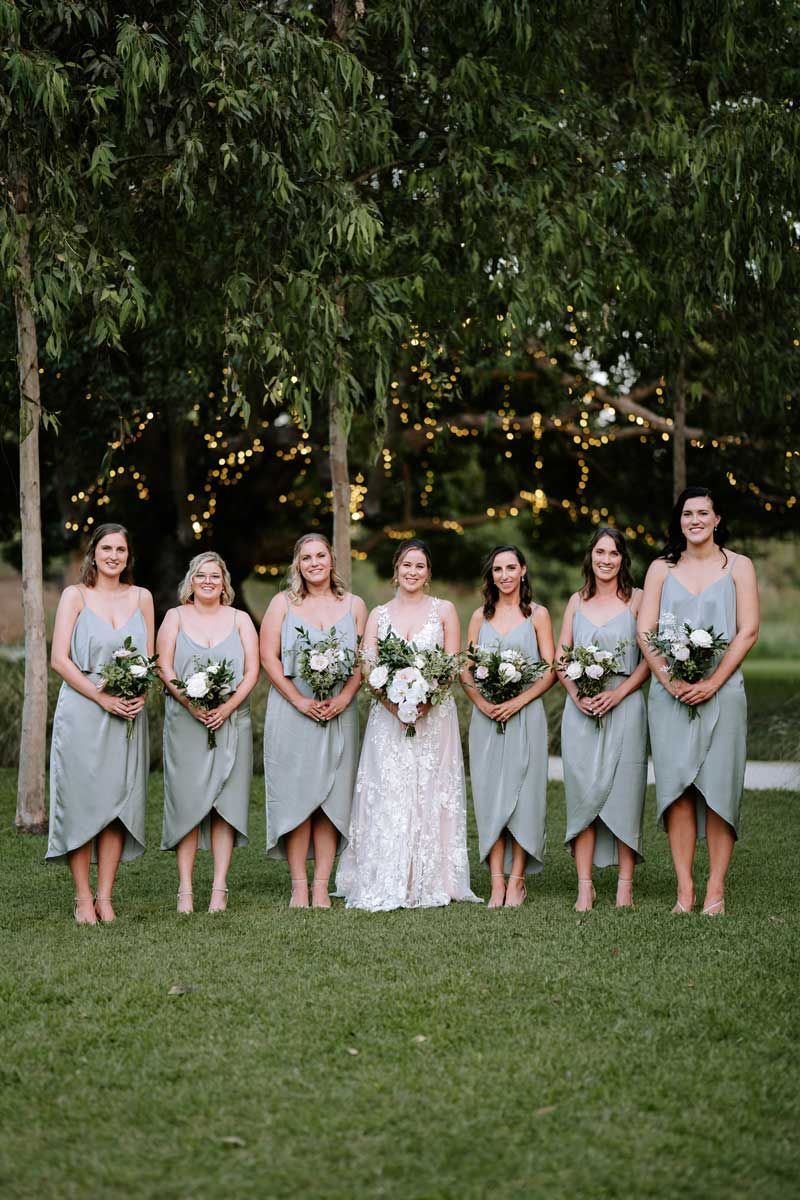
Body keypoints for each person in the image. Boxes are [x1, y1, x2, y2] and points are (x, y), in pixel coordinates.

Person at [335, 538, 479, 911]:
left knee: (431, 789)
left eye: (420, 566)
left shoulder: (444, 610)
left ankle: (431, 877)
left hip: (434, 718)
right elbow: (368, 666)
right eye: (406, 565)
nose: (412, 572)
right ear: (395, 570)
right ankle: (384, 872)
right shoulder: (379, 614)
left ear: (428, 573)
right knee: (390, 790)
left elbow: (450, 664)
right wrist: (394, 704)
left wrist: (425, 703)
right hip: (389, 717)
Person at [638, 487, 759, 916]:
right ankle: (684, 890)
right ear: (680, 520)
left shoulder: (739, 566)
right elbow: (645, 629)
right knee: (678, 790)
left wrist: (714, 683)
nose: (695, 520)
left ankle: (715, 890)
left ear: (717, 519)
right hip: (669, 695)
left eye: (703, 513)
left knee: (721, 789)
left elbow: (747, 630)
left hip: (723, 692)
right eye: (688, 513)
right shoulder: (660, 569)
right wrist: (669, 680)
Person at [47, 523, 154, 923]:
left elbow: (148, 656)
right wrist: (100, 697)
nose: (113, 555)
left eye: (121, 550)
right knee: (81, 800)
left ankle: (105, 896)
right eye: (106, 548)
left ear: (128, 556)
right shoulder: (75, 596)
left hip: (127, 712)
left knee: (117, 801)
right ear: (94, 554)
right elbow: (60, 659)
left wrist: (140, 690)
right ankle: (81, 898)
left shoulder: (142, 598)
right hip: (83, 709)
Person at [261, 534, 366, 908]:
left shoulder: (354, 605)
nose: (315, 563)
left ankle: (321, 885)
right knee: (298, 796)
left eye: (321, 555)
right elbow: (268, 657)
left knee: (332, 798)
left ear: (332, 561)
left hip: (340, 711)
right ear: (297, 565)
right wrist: (299, 700)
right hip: (292, 712)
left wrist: (343, 698)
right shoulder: (281, 604)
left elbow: (361, 662)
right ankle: (298, 886)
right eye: (306, 558)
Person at [158, 552, 259, 913]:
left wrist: (226, 709)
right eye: (201, 575)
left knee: (225, 804)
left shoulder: (241, 619)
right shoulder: (174, 617)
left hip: (231, 721)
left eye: (215, 576)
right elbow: (165, 667)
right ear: (191, 580)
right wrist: (191, 705)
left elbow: (251, 671)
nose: (208, 581)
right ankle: (185, 888)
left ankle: (219, 887)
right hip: (186, 723)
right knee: (187, 803)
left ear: (224, 582)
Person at [557, 528, 649, 911]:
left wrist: (618, 693)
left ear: (622, 559)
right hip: (581, 710)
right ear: (590, 556)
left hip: (625, 704)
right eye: (600, 552)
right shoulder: (576, 602)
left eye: (613, 553)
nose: (606, 560)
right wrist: (577, 694)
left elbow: (649, 662)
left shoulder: (639, 600)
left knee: (626, 792)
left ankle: (625, 886)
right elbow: (562, 659)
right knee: (582, 792)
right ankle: (585, 886)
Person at [463, 545, 556, 908]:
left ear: (523, 570)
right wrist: (483, 704)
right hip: (486, 720)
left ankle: (517, 880)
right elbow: (464, 668)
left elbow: (550, 668)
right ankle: (496, 882)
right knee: (490, 797)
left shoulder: (538, 615)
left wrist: (519, 701)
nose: (504, 575)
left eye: (510, 567)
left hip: (525, 715)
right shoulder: (478, 617)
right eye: (497, 569)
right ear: (491, 575)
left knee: (524, 796)